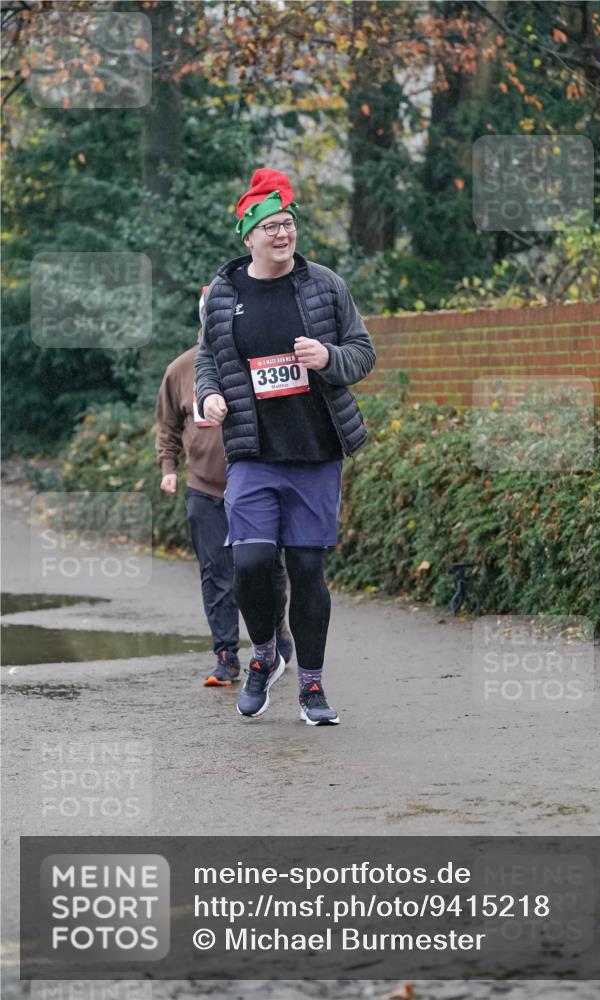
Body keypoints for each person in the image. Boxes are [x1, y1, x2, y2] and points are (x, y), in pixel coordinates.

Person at [195, 167, 375, 725]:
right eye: (270, 226)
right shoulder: (225, 294)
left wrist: (329, 359)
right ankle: (265, 654)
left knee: (305, 570)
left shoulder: (325, 286)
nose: (282, 234)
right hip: (252, 451)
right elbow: (207, 361)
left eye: (288, 224)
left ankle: (313, 688)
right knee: (249, 561)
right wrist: (208, 399)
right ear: (248, 236)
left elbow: (363, 352)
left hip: (315, 451)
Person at [156, 288, 293, 687]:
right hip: (204, 487)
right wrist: (169, 467)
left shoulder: (254, 358)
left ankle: (276, 629)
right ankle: (226, 656)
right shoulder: (180, 370)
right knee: (216, 573)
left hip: (255, 483)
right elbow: (167, 425)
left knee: (266, 568)